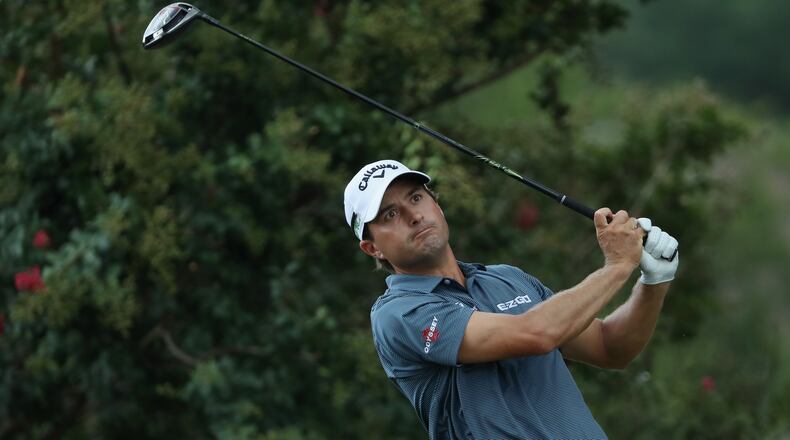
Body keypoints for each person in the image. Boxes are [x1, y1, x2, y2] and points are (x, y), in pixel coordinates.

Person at [343, 159, 679, 439]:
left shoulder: (507, 278)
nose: (412, 216)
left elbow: (609, 347)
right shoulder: (398, 315)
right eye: (389, 215)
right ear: (371, 247)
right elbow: (536, 334)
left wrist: (653, 281)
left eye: (416, 198)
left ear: (436, 204)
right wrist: (619, 265)